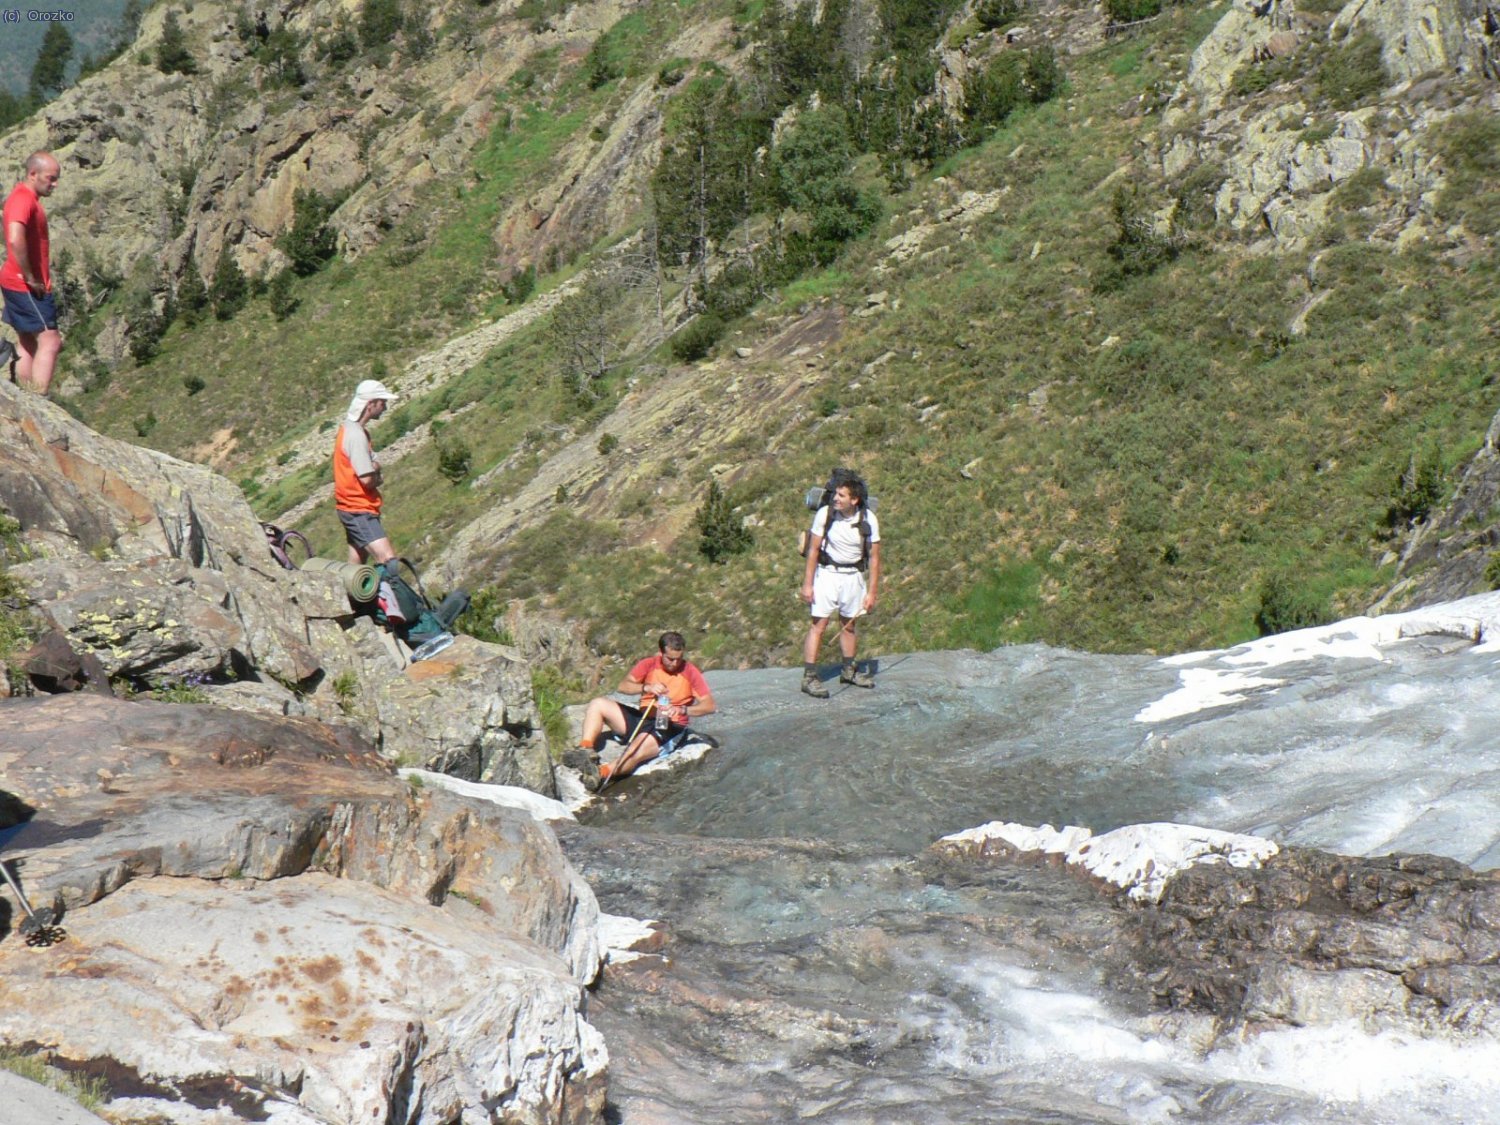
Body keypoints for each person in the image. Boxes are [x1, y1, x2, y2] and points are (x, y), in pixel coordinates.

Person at [571, 631, 716, 790]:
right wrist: (646, 688)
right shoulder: (649, 664)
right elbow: (623, 686)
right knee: (597, 704)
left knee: (635, 751)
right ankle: (585, 749)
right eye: (670, 659)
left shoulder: (690, 672)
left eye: (679, 659)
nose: (675, 663)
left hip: (668, 726)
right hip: (643, 717)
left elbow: (709, 706)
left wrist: (681, 709)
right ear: (661, 653)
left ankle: (601, 774)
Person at [799, 469, 881, 697]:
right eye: (835, 494)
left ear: (854, 500)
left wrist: (872, 592)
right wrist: (808, 584)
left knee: (849, 625)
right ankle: (809, 676)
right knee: (819, 624)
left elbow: (874, 557)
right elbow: (813, 550)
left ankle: (849, 670)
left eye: (841, 495)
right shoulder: (825, 514)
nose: (835, 498)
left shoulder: (868, 519)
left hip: (853, 577)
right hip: (827, 574)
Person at [1, 152, 63, 395]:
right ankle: (39, 397)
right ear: (33, 174)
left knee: (28, 341)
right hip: (25, 284)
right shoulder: (23, 200)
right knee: (50, 340)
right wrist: (30, 277)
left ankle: (26, 396)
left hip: (16, 280)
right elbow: (15, 239)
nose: (55, 184)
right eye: (51, 178)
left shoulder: (25, 198)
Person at [333, 378, 399, 570]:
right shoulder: (356, 435)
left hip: (351, 507)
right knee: (388, 560)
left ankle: (351, 590)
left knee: (357, 566)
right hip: (358, 509)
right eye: (382, 402)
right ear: (370, 404)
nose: (385, 407)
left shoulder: (349, 429)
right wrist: (377, 470)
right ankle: (386, 589)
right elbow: (367, 479)